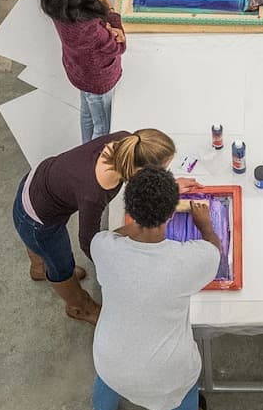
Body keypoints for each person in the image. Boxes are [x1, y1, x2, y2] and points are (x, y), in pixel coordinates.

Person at [90, 167, 219, 410]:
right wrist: (204, 224)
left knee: (109, 378)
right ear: (171, 215)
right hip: (168, 376)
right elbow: (214, 252)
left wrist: (155, 204)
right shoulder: (184, 262)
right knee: (183, 399)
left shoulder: (102, 247)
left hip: (108, 361)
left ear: (129, 209)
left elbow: (116, 236)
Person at [12, 128, 179, 325]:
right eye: (163, 171)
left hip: (35, 182)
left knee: (44, 250)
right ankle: (80, 307)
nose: (166, 173)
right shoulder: (96, 192)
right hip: (37, 220)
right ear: (141, 172)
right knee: (61, 265)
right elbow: (90, 243)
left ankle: (39, 266)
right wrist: (114, 265)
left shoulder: (126, 141)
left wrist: (168, 186)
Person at [40, 0, 125, 141]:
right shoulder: (88, 28)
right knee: (103, 129)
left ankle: (83, 149)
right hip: (99, 80)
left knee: (88, 113)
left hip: (79, 72)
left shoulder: (57, 4)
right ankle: (91, 158)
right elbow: (118, 46)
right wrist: (111, 15)